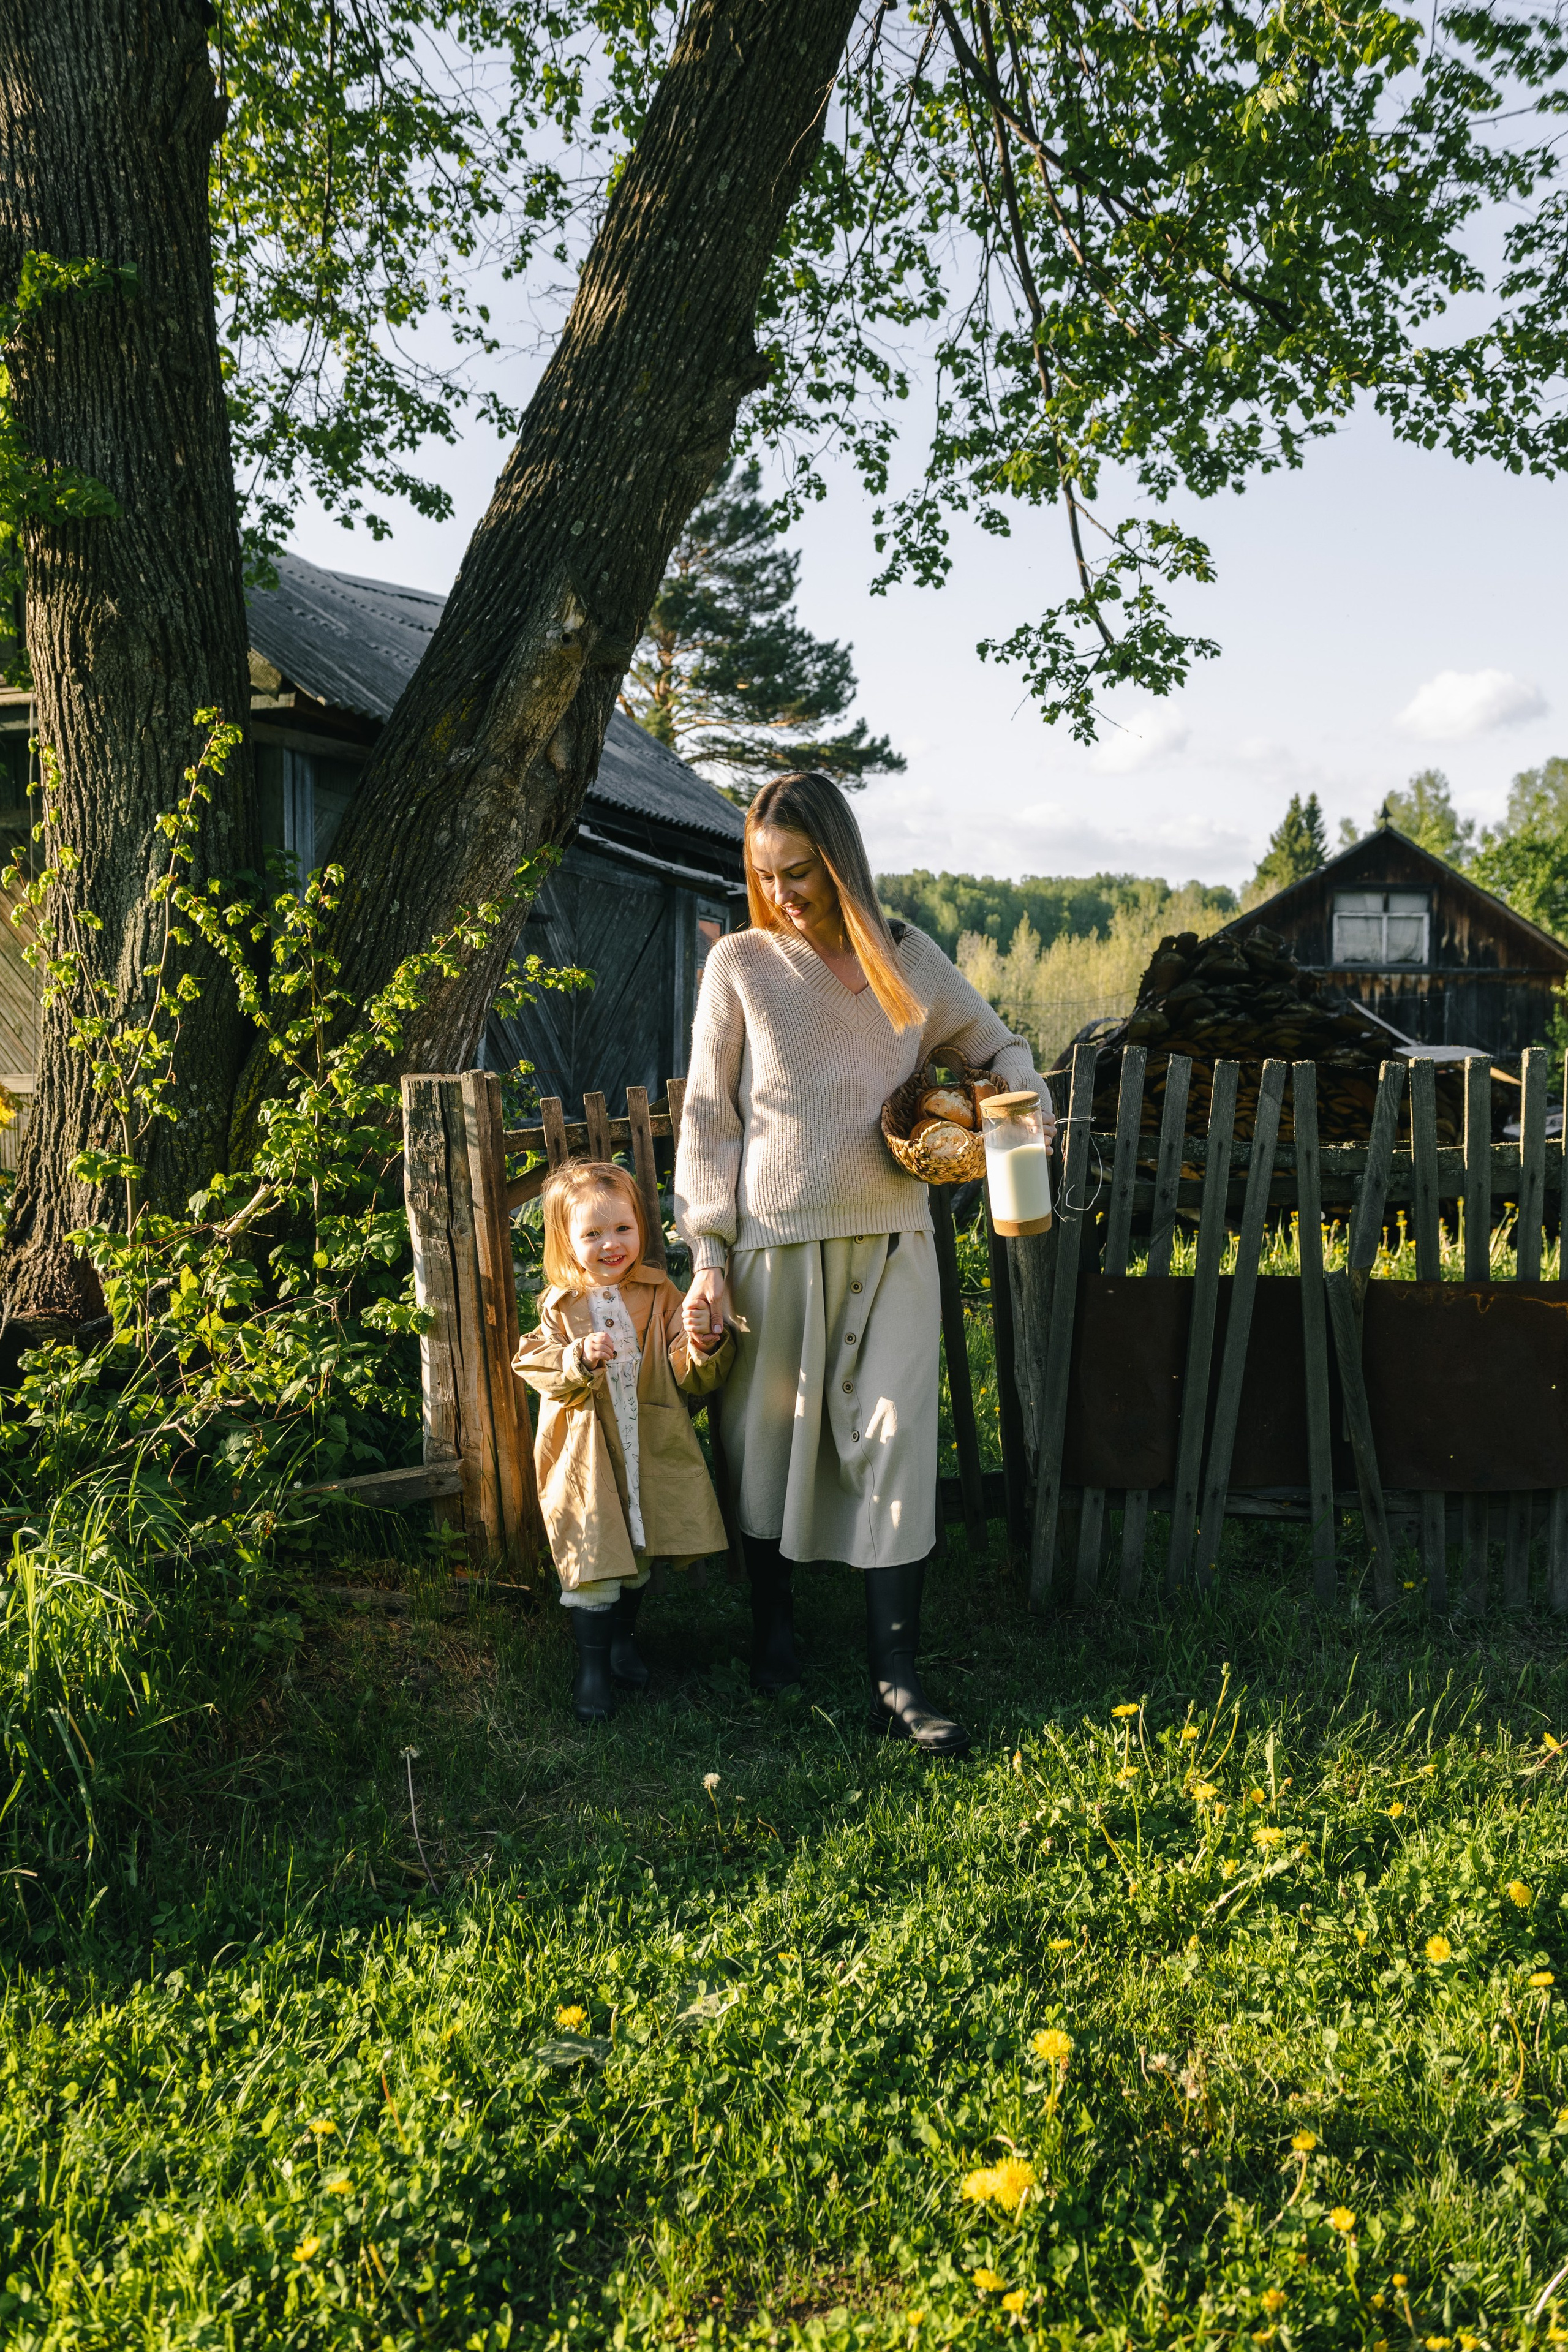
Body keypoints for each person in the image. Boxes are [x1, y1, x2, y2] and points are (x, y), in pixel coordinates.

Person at [673, 771, 1055, 1756]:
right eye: (766, 876)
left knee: (896, 1441)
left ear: (840, 862)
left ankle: (897, 1675)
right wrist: (708, 1252)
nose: (784, 895)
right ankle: (775, 1631)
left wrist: (1010, 1099)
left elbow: (999, 1044)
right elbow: (709, 1118)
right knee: (771, 1447)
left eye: (800, 873)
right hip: (774, 1242)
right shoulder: (743, 967)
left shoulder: (910, 960)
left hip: (896, 1239)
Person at [514, 1159, 734, 1724]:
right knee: (593, 1548)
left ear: (642, 1226)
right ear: (566, 1241)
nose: (611, 1245)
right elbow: (532, 1361)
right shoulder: (561, 1306)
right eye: (592, 1234)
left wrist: (702, 1341)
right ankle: (591, 1668)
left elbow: (688, 1373)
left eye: (623, 1229)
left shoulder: (660, 1294)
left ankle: (621, 1643)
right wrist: (578, 1356)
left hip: (646, 1441)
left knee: (636, 1549)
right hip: (587, 1452)